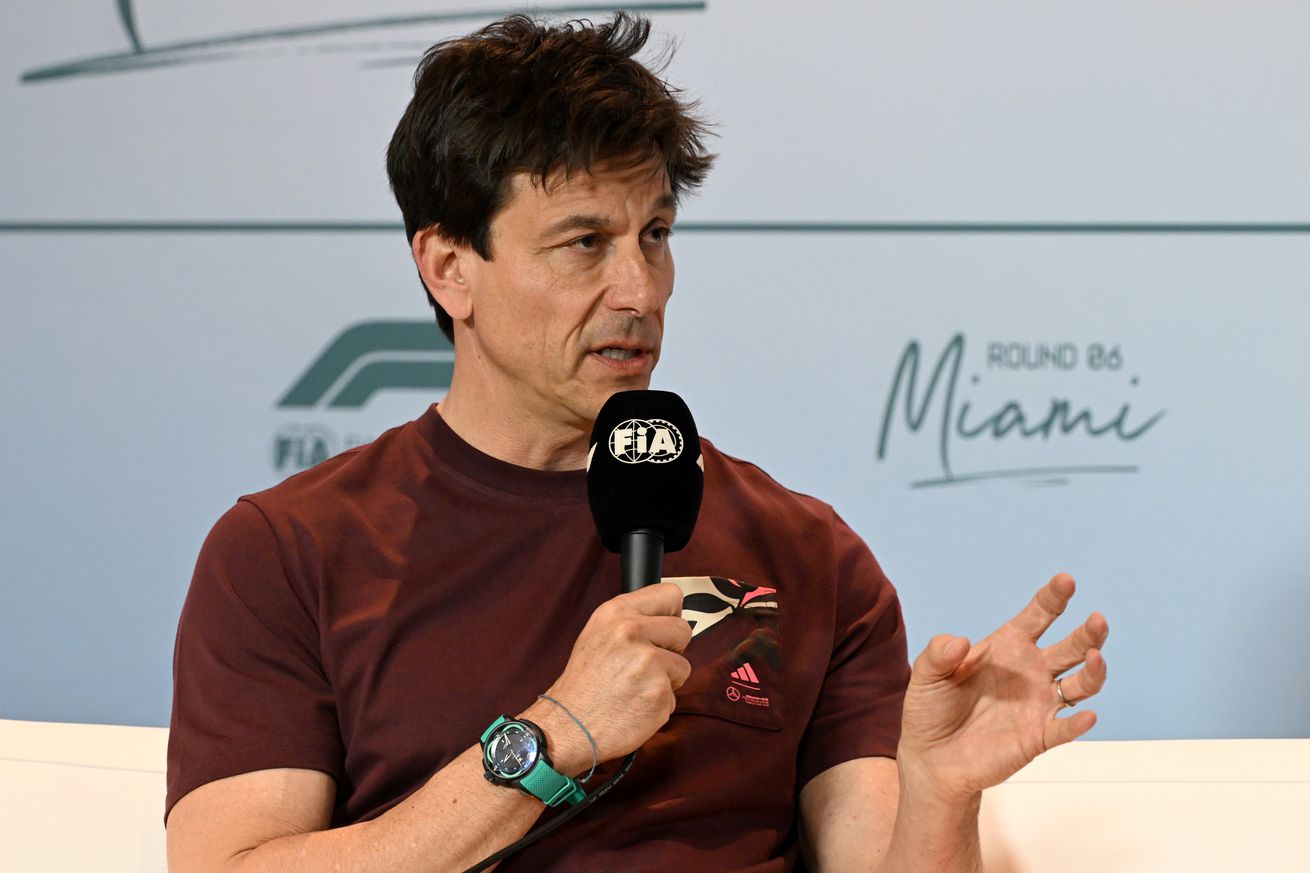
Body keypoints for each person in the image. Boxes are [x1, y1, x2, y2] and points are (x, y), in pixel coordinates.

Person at [164, 13, 1108, 873]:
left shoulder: (809, 551)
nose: (641, 290)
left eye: (654, 234)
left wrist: (942, 793)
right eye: (585, 242)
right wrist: (555, 737)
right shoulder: (287, 552)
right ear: (450, 267)